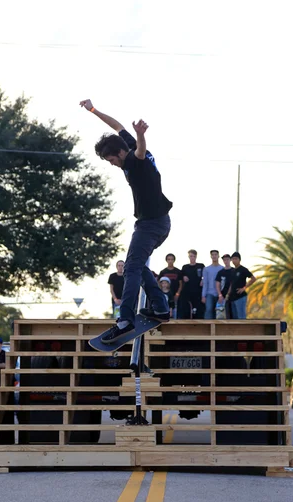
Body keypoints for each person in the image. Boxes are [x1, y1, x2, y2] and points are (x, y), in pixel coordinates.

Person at [80, 99, 172, 343]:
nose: (112, 164)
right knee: (138, 265)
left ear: (119, 153)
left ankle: (124, 320)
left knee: (130, 269)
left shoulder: (134, 160)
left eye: (111, 160)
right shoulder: (125, 145)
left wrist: (142, 135)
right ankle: (161, 308)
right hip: (157, 223)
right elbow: (117, 125)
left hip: (151, 225)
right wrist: (93, 110)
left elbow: (141, 152)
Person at [226, 252, 256, 319]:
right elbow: (231, 283)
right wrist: (228, 294)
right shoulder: (232, 271)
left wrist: (244, 288)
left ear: (239, 260)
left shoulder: (243, 269)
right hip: (232, 297)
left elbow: (253, 279)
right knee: (234, 317)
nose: (234, 260)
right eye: (233, 259)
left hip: (240, 297)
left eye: (236, 259)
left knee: (241, 317)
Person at [178, 250, 205, 319]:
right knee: (187, 307)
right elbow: (180, 276)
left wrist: (203, 280)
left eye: (193, 256)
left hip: (198, 291)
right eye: (191, 256)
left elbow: (206, 275)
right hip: (188, 291)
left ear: (196, 257)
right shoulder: (185, 267)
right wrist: (183, 276)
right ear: (188, 257)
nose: (192, 258)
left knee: (198, 308)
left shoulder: (201, 266)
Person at [202, 250, 224, 319]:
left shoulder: (222, 268)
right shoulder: (206, 269)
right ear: (211, 256)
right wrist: (203, 295)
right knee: (209, 309)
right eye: (213, 255)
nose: (214, 256)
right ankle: (207, 326)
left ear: (218, 256)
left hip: (220, 294)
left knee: (220, 311)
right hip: (209, 293)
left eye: (215, 254)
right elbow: (205, 283)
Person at [215, 254, 233, 318]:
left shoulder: (233, 271)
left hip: (233, 296)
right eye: (224, 260)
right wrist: (220, 295)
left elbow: (233, 284)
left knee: (232, 314)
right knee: (222, 314)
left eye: (227, 259)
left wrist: (228, 294)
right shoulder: (220, 272)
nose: (226, 261)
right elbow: (217, 284)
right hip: (222, 296)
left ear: (230, 260)